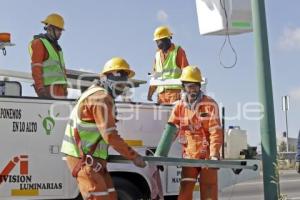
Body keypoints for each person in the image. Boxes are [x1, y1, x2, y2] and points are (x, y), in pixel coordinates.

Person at [61, 57, 146, 200]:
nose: (120, 89)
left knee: (111, 196)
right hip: (84, 159)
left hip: (92, 159)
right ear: (106, 78)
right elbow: (110, 135)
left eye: (123, 85)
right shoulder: (100, 98)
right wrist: (134, 156)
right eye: (119, 85)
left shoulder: (94, 93)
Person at [167, 66, 223, 200]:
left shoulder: (210, 104)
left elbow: (215, 130)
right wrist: (160, 153)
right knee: (185, 190)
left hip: (208, 156)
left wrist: (214, 154)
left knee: (209, 191)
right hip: (190, 156)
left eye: (196, 86)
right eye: (190, 86)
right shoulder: (179, 106)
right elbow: (171, 129)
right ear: (183, 87)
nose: (193, 90)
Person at [29, 13, 68, 98]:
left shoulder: (58, 48)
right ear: (50, 28)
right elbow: (36, 68)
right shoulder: (39, 43)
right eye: (58, 29)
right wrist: (40, 89)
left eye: (61, 30)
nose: (60, 33)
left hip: (60, 91)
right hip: (48, 90)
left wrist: (65, 88)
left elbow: (62, 70)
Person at [147, 26, 189, 104]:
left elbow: (186, 72)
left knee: (174, 115)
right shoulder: (157, 54)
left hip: (175, 92)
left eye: (158, 41)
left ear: (166, 39)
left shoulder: (178, 51)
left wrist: (187, 92)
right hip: (161, 95)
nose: (156, 43)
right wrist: (150, 93)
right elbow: (155, 75)